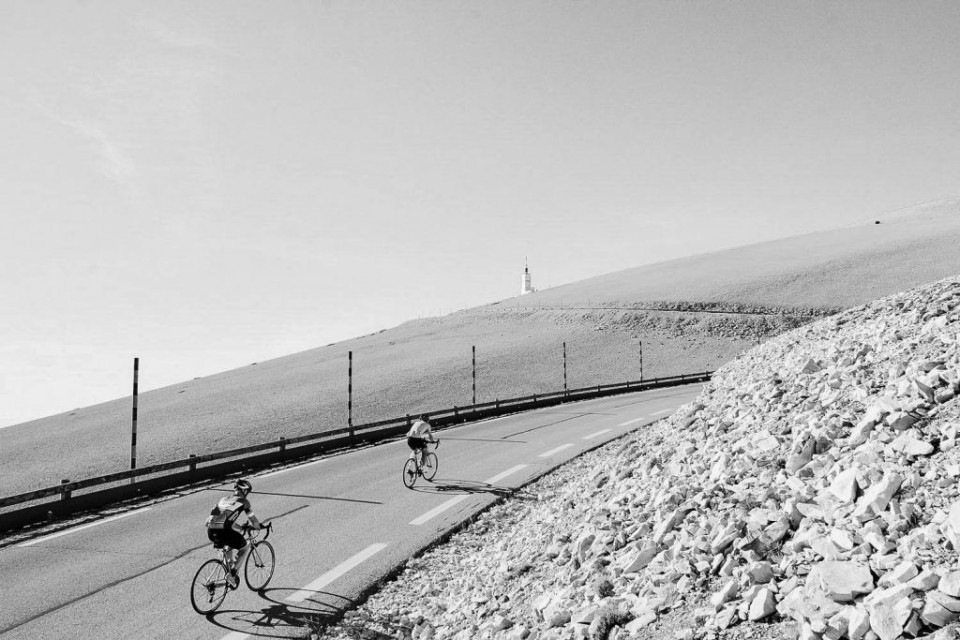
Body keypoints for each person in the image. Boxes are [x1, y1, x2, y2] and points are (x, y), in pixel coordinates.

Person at [205, 478, 262, 588]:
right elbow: (253, 520)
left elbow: (222, 519)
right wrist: (258, 527)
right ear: (244, 491)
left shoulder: (223, 499)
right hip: (223, 532)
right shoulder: (243, 501)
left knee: (228, 549)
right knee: (245, 546)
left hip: (211, 531)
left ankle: (222, 579)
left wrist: (240, 528)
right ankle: (231, 575)